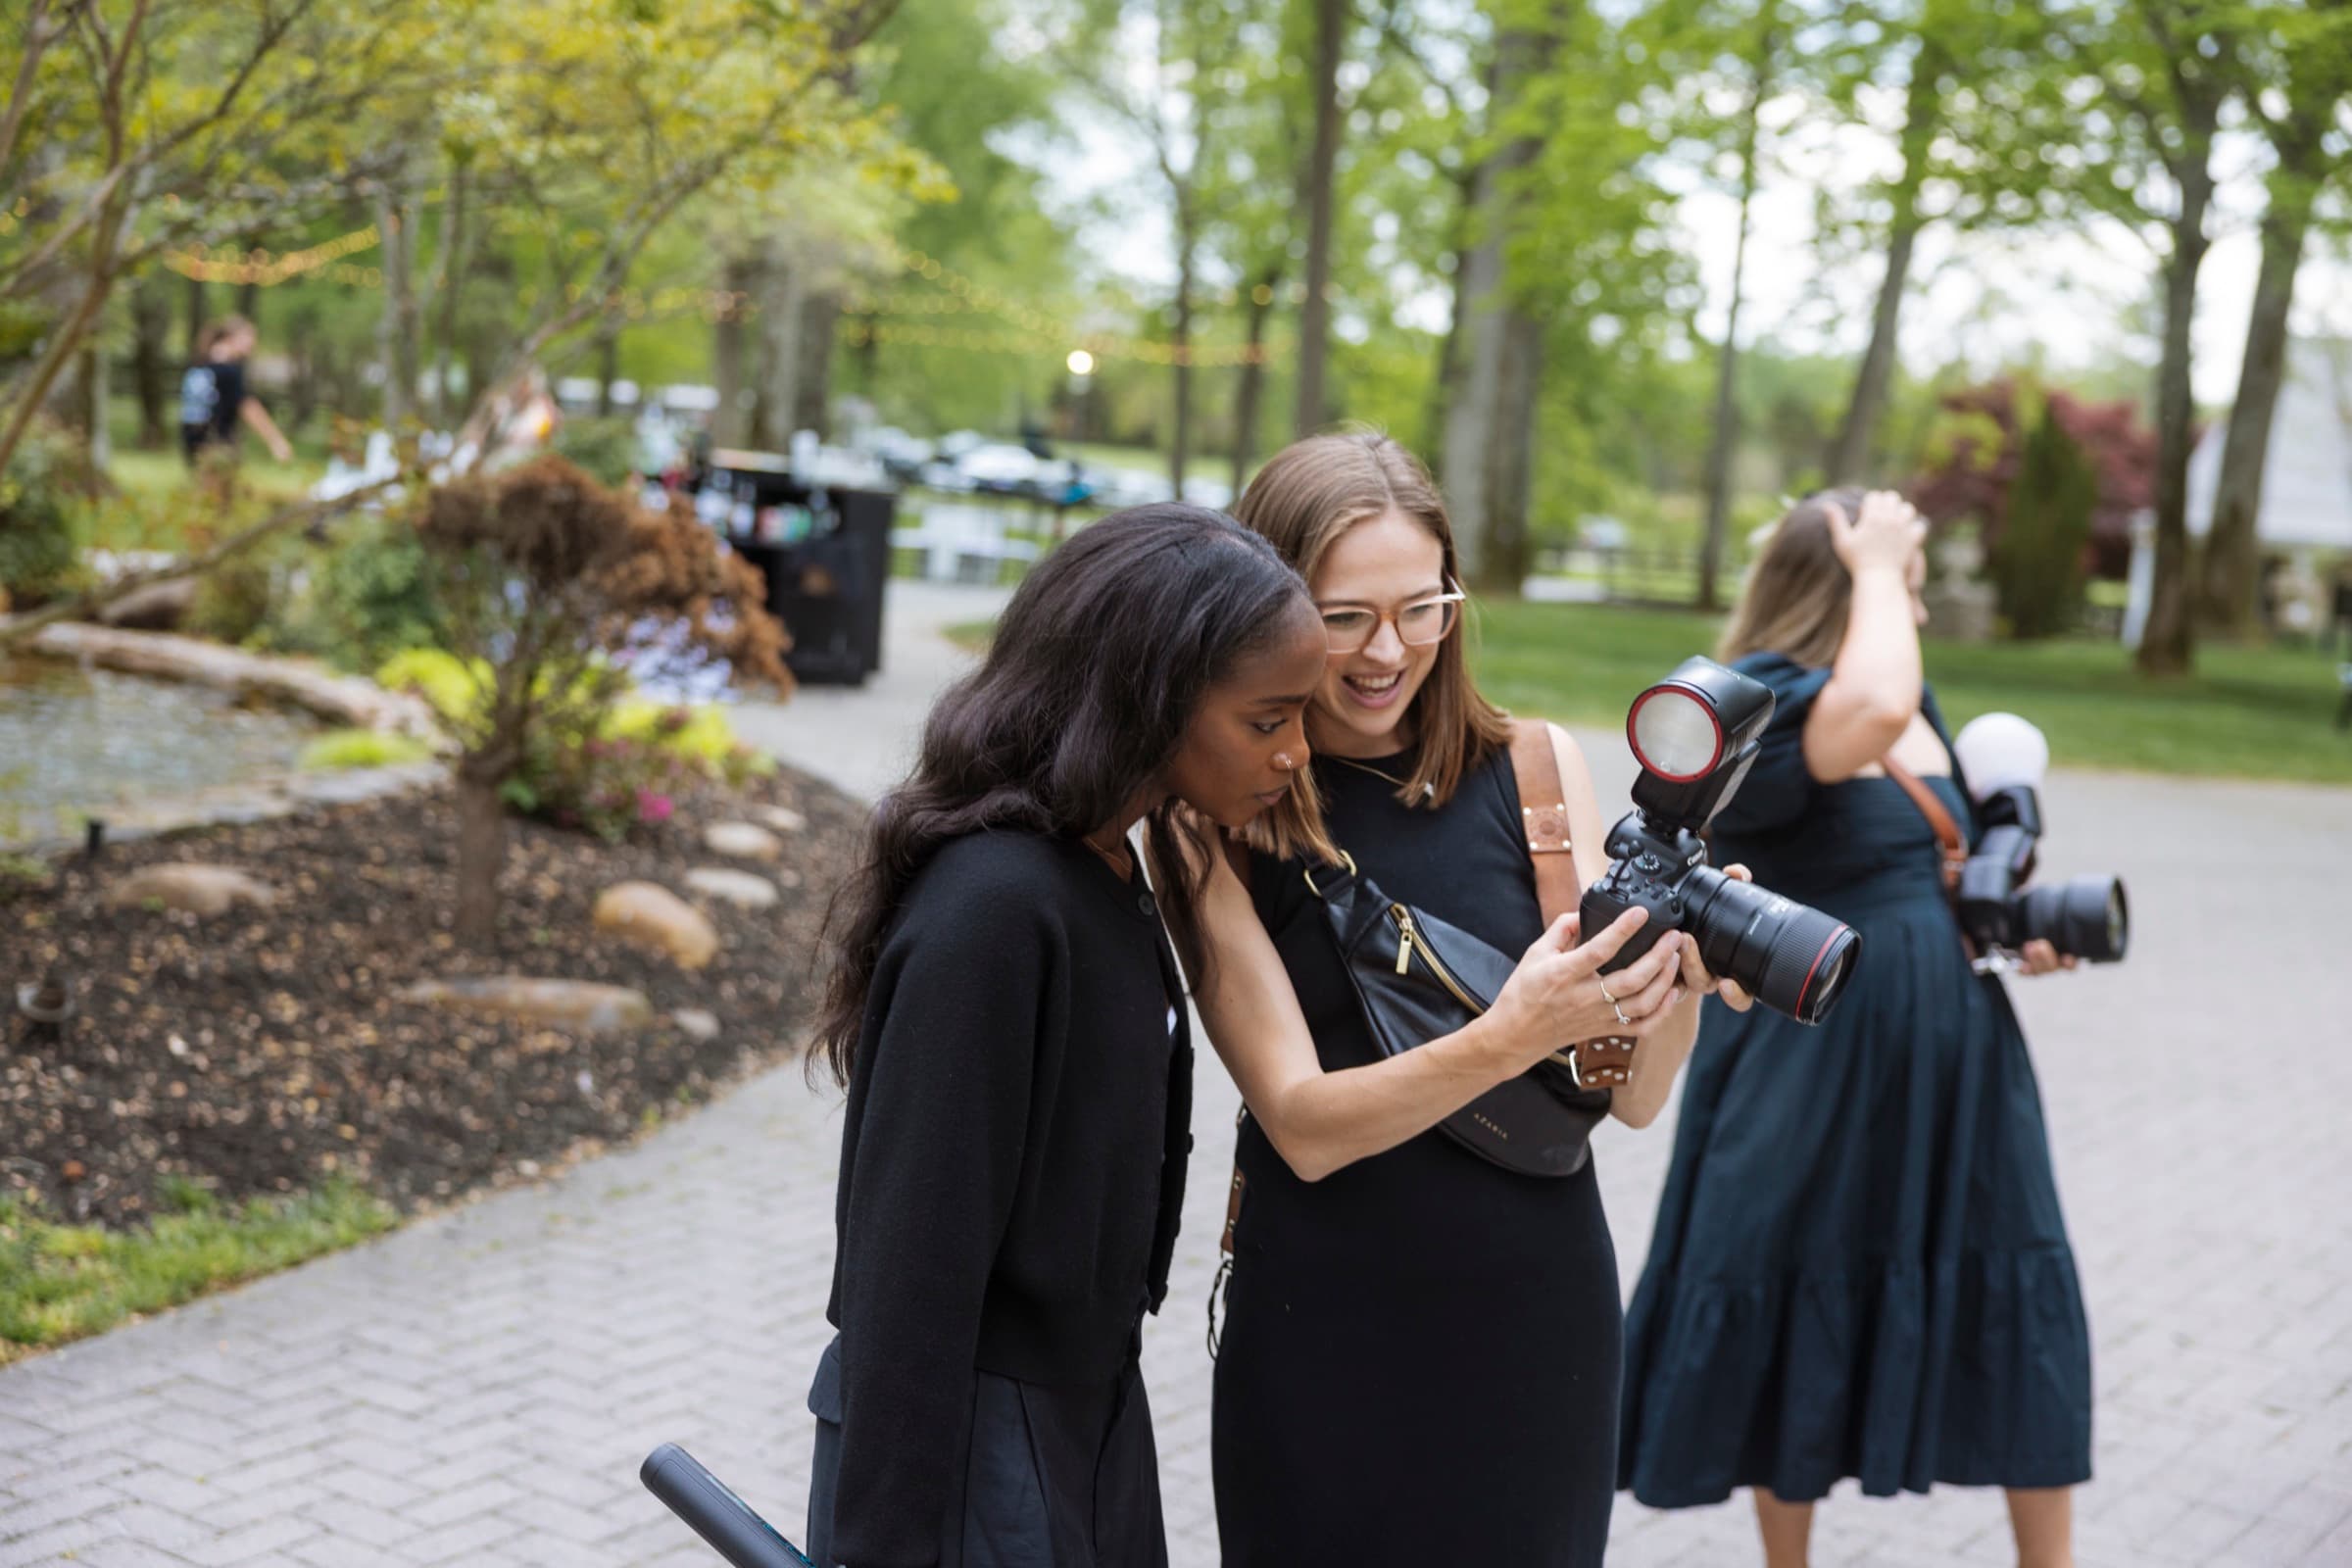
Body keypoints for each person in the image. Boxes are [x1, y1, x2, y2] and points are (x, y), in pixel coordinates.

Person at [1188, 432, 1746, 1567]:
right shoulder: (1216, 810)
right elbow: (1301, 1126)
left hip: (1535, 1325)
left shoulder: (1540, 771)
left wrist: (1674, 985)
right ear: (1266, 604)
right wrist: (1513, 1032)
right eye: (1343, 615)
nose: (1388, 651)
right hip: (1321, 1325)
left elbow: (1629, 1102)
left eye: (1423, 607)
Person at [804, 503, 1333, 1568]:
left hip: (1085, 1411)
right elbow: (908, 1269)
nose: (1297, 753)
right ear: (1152, 702)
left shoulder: (1111, 864)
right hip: (969, 1447)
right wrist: (883, 1547)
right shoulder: (997, 907)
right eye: (1268, 719)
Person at [1617, 488, 2092, 1568]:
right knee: (1794, 1277)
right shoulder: (1767, 702)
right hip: (1811, 1060)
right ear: (1845, 584)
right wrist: (1878, 559)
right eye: (1905, 585)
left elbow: (1941, 859)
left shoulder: (1920, 703)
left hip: (1957, 1059)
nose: (1916, 608)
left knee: (2013, 1275)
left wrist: (2019, 931)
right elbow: (1870, 709)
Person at [179, 318, 293, 466]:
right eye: (248, 337)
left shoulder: (200, 362)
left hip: (191, 434)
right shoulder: (229, 369)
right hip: (216, 438)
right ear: (230, 337)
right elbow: (247, 405)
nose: (253, 343)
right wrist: (275, 440)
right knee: (215, 487)